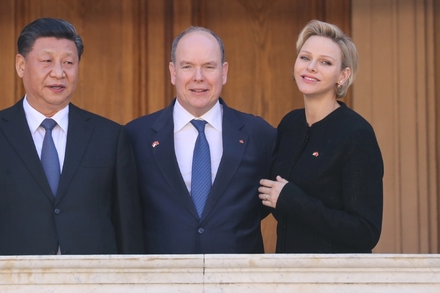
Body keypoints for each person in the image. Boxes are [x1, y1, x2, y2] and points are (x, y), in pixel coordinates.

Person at [0, 17, 144, 255]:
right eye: (46, 61)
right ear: (21, 65)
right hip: (15, 280)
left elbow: (127, 225)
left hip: (92, 280)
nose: (58, 73)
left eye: (68, 62)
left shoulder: (110, 136)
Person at [125, 26, 276, 254]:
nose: (199, 77)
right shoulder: (136, 136)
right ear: (173, 72)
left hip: (238, 280)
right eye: (187, 67)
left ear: (224, 72)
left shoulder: (259, 134)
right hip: (162, 281)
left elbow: (271, 203)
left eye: (209, 66)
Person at [259, 20, 383, 253]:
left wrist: (295, 202)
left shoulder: (356, 135)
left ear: (343, 76)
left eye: (325, 62)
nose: (311, 67)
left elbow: (366, 231)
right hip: (289, 276)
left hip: (336, 280)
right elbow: (272, 195)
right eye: (305, 57)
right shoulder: (290, 125)